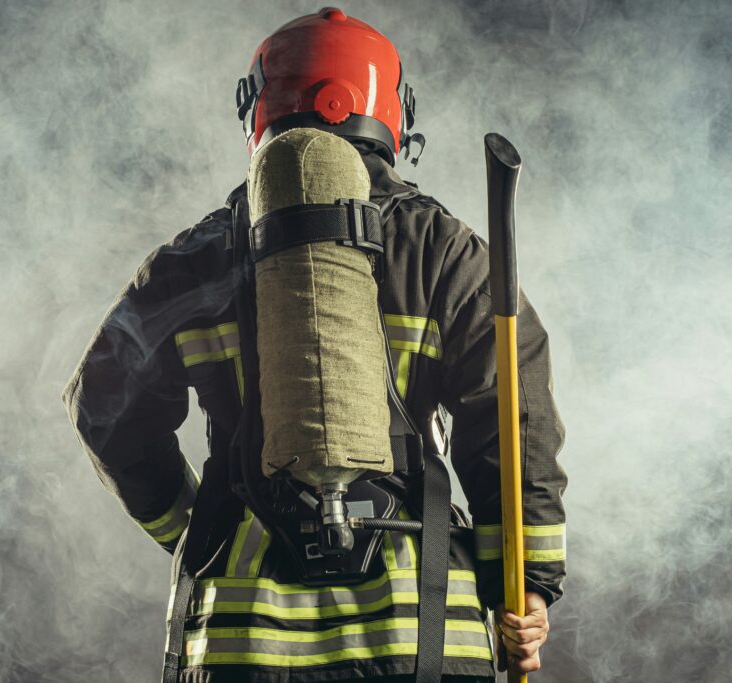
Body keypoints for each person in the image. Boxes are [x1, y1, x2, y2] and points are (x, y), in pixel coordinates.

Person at [62, 7, 567, 682]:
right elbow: (514, 419)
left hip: (243, 644)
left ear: (259, 111)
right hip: (423, 631)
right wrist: (524, 585)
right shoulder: (445, 250)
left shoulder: (198, 257)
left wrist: (192, 528)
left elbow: (103, 403)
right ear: (391, 111)